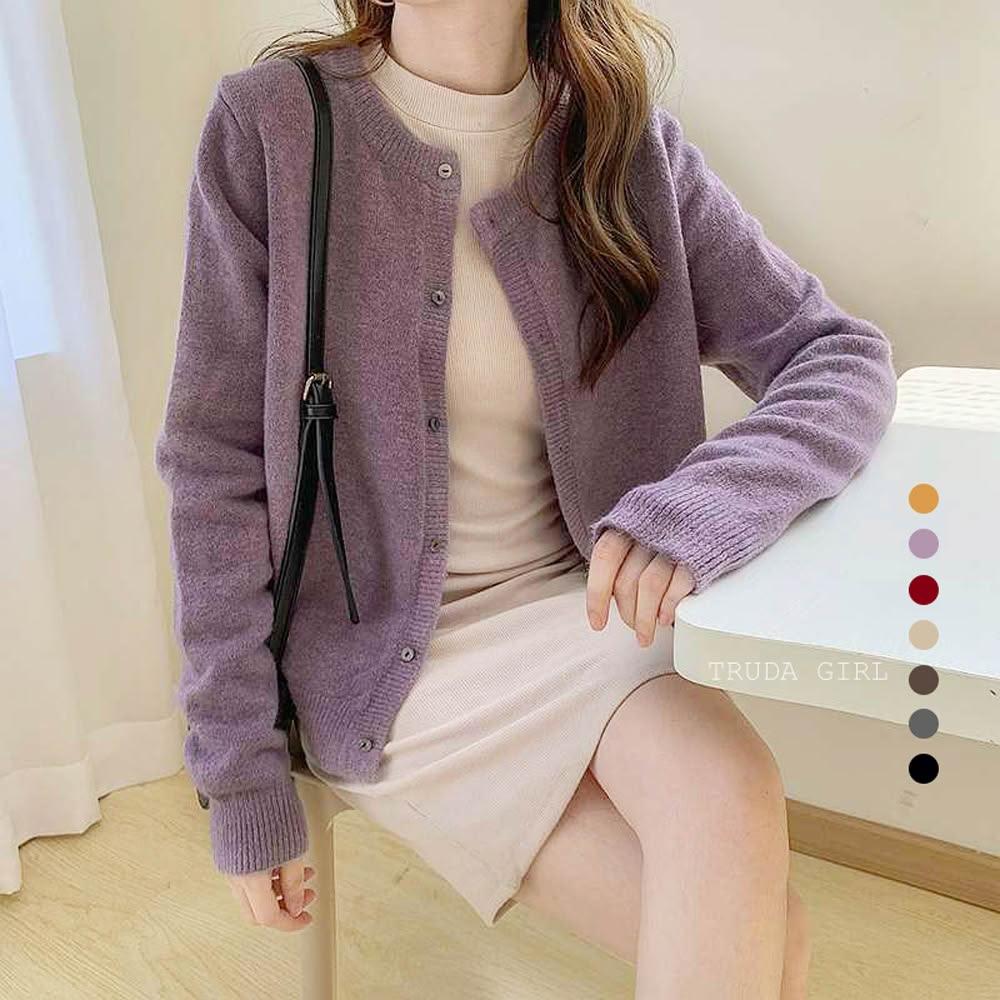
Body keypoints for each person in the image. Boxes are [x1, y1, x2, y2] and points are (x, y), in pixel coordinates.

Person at [155, 3, 897, 996]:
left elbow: (838, 355)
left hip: (583, 612)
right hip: (382, 663)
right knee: (777, 943)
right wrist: (240, 773)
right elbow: (213, 465)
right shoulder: (274, 127)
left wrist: (703, 506)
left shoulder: (624, 147)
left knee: (731, 789)